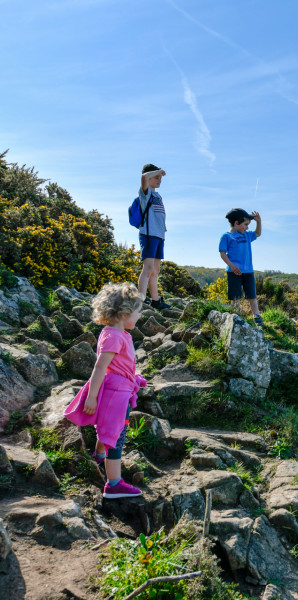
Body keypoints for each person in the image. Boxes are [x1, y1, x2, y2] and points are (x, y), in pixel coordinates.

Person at [63, 282, 147, 499]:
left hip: (121, 390)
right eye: (137, 312)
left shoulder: (116, 333)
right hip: (115, 393)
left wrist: (134, 377)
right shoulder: (114, 336)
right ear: (124, 313)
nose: (139, 316)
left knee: (109, 428)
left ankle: (99, 455)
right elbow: (100, 366)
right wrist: (91, 396)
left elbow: (118, 365)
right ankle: (114, 484)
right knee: (116, 436)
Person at [219, 208, 266, 327]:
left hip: (248, 271)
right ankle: (236, 315)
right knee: (235, 296)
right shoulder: (226, 236)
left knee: (252, 295)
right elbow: (222, 253)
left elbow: (258, 234)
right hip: (233, 271)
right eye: (245, 224)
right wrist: (232, 265)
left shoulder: (247, 235)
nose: (247, 228)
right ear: (236, 223)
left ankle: (256, 316)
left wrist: (259, 222)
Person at [136, 163, 172, 311]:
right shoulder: (146, 192)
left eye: (160, 178)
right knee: (148, 268)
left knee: (155, 269)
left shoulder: (158, 195)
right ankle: (140, 300)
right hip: (148, 235)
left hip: (159, 235)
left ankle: (155, 300)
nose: (159, 180)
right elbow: (144, 177)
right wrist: (158, 171)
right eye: (156, 177)